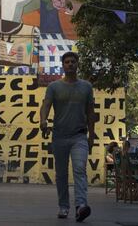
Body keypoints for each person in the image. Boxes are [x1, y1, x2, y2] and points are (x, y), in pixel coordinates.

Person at [40, 51, 94, 222]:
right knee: (61, 174)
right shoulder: (54, 87)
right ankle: (64, 206)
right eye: (67, 62)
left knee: (79, 169)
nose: (70, 64)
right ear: (63, 65)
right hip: (59, 136)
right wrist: (43, 120)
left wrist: (92, 135)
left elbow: (91, 112)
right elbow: (46, 105)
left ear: (77, 64)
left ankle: (81, 206)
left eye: (73, 61)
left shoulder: (86, 87)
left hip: (79, 136)